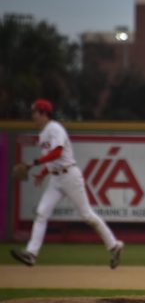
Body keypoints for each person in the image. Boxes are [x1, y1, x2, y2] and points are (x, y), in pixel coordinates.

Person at [10, 99, 124, 269]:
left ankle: (113, 246)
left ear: (43, 113)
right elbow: (51, 160)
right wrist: (42, 173)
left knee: (86, 215)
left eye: (35, 113)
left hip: (70, 175)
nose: (33, 116)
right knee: (41, 213)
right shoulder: (43, 135)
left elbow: (57, 152)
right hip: (56, 179)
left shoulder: (55, 128)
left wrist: (33, 163)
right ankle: (31, 254)